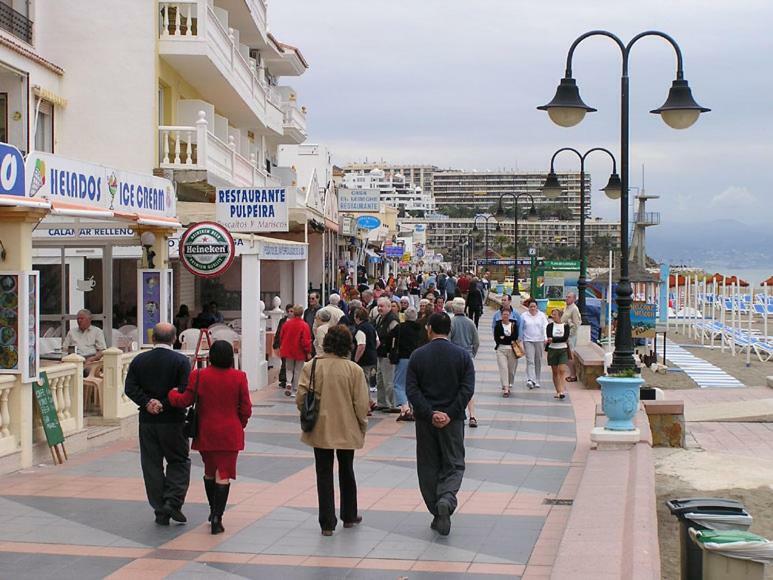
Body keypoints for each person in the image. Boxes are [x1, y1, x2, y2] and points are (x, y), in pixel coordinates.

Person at [166, 340, 251, 534]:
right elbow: (246, 408)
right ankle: (217, 518)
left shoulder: (198, 375)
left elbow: (184, 400)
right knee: (224, 473)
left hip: (206, 431)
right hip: (230, 432)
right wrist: (240, 424)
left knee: (209, 471)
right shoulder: (239, 377)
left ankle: (212, 510)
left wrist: (172, 394)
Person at [406, 313, 475, 537]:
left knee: (428, 464)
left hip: (426, 422)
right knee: (454, 463)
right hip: (453, 421)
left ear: (429, 329)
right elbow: (467, 388)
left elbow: (412, 389)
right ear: (450, 330)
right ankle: (447, 497)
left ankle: (437, 509)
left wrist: (429, 413)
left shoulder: (418, 356)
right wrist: (451, 413)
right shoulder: (462, 356)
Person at [298, 325, 370, 536]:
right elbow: (361, 403)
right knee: (347, 470)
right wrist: (361, 424)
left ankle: (327, 523)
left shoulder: (311, 367)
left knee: (323, 472)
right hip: (347, 427)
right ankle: (349, 515)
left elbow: (301, 398)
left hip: (320, 426)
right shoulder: (354, 370)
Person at [124, 323, 191, 525]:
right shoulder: (181, 361)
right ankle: (172, 501)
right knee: (178, 460)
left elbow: (130, 388)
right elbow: (184, 390)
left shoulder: (140, 360)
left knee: (151, 464)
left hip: (148, 420)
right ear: (174, 338)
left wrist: (147, 403)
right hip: (173, 420)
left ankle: (160, 507)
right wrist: (163, 403)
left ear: (153, 339)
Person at [390, 307, 427, 422]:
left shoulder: (400, 328)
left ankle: (405, 409)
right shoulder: (421, 329)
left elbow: (390, 339)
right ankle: (413, 408)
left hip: (404, 358)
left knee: (399, 384)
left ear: (405, 316)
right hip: (419, 358)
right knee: (414, 384)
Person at [448, 300, 480, 427]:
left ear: (454, 309)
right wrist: (472, 353)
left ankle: (455, 411)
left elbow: (448, 340)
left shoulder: (451, 323)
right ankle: (472, 415)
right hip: (468, 356)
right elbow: (476, 342)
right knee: (468, 386)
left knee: (454, 385)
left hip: (453, 357)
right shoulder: (470, 323)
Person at [279, 305, 312, 397]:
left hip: (288, 349)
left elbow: (281, 336)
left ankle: (288, 383)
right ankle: (295, 389)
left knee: (289, 368)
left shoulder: (287, 324)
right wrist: (308, 351)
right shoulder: (304, 325)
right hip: (299, 350)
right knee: (298, 370)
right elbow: (306, 340)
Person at [374, 297, 400, 412]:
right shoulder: (379, 318)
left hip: (387, 354)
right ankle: (382, 402)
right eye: (378, 306)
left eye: (382, 306)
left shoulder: (392, 320)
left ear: (389, 307)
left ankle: (393, 404)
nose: (379, 308)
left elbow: (395, 337)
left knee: (389, 380)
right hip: (380, 353)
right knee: (380, 379)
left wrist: (392, 352)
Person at [521, 298, 548, 390]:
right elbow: (521, 327)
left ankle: (537, 379)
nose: (532, 308)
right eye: (531, 307)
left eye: (534, 306)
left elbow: (545, 327)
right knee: (530, 360)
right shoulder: (524, 315)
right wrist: (520, 338)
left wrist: (545, 338)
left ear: (537, 307)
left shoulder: (542, 315)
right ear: (528, 307)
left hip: (539, 340)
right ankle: (530, 379)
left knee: (538, 360)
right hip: (528, 340)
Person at [352, 308, 378, 403]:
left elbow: (361, 345)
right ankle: (370, 401)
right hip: (372, 357)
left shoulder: (360, 329)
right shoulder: (371, 327)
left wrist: (356, 359)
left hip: (364, 359)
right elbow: (377, 342)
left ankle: (366, 405)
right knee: (367, 380)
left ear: (357, 317)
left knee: (364, 382)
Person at [494, 307, 520, 398]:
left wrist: (504, 338)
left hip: (512, 349)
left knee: (511, 370)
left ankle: (509, 383)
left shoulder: (514, 325)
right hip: (501, 349)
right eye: (504, 314)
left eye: (507, 314)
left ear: (510, 315)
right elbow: (497, 338)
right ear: (501, 315)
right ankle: (505, 388)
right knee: (503, 368)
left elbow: (515, 337)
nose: (505, 316)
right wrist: (506, 338)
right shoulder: (498, 325)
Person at [547, 309, 570, 399]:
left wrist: (554, 339)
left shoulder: (565, 326)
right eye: (552, 314)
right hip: (552, 349)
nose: (553, 316)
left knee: (562, 370)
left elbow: (565, 338)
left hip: (563, 349)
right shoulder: (549, 326)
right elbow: (549, 336)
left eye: (555, 314)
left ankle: (562, 391)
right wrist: (554, 339)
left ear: (560, 316)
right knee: (555, 372)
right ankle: (558, 390)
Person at [561, 292, 582, 382]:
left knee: (570, 355)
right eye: (566, 296)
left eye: (569, 297)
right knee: (567, 355)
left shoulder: (574, 309)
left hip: (570, 336)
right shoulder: (567, 307)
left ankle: (573, 375)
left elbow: (576, 324)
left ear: (574, 299)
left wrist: (569, 335)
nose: (567, 298)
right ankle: (571, 373)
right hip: (565, 334)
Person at [272, 304, 294, 390]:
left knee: (291, 363)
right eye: (288, 311)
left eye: (291, 311)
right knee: (284, 362)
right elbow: (278, 332)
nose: (289, 313)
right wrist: (276, 343)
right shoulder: (282, 321)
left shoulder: (296, 321)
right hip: (283, 344)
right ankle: (283, 379)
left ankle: (291, 380)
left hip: (292, 345)